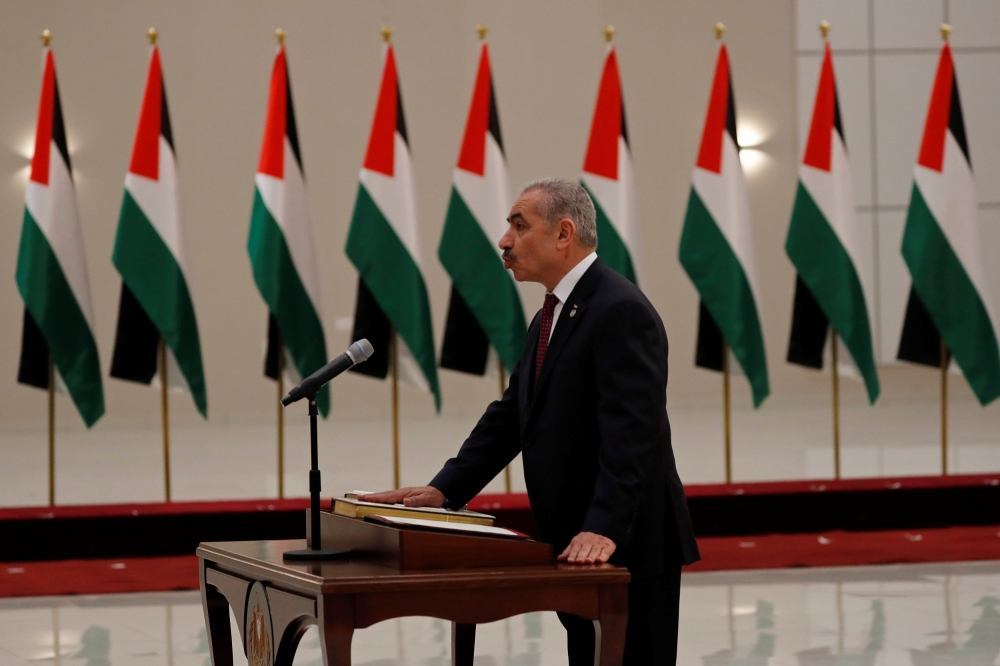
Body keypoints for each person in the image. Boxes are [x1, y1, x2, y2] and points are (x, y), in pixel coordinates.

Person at [360, 177, 700, 665]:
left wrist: (602, 527)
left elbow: (634, 434)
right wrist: (444, 491)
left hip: (625, 545)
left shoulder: (619, 309)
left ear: (564, 234)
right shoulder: (552, 314)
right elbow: (512, 415)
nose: (505, 240)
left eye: (519, 226)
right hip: (577, 543)